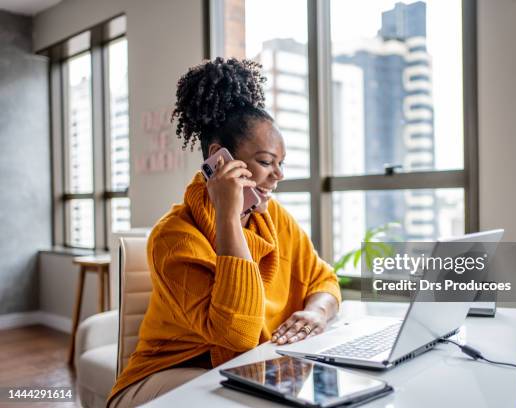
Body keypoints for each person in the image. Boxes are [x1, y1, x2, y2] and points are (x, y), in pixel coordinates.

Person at [107, 57, 341, 407]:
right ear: (219, 158)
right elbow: (239, 334)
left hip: (250, 365)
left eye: (280, 164)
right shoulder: (174, 237)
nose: (277, 175)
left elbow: (324, 280)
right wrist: (228, 216)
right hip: (169, 374)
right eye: (265, 162)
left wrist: (316, 313)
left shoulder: (275, 218)